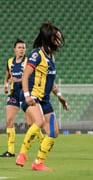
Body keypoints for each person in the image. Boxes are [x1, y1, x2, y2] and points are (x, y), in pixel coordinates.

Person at [15, 22, 69, 171]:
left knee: (54, 132)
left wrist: (59, 95)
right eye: (56, 38)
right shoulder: (36, 54)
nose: (59, 41)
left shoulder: (51, 57)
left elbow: (49, 82)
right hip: (31, 96)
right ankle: (22, 154)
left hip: (44, 99)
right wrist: (26, 96)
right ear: (49, 39)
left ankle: (38, 162)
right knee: (38, 121)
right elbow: (25, 76)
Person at [1, 39, 28, 157]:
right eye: (19, 47)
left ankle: (42, 142)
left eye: (23, 48)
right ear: (15, 49)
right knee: (9, 121)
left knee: (32, 123)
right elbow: (7, 76)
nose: (22, 49)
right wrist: (6, 85)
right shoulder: (10, 61)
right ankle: (10, 151)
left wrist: (18, 80)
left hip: (25, 94)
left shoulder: (28, 61)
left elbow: (30, 77)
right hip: (13, 94)